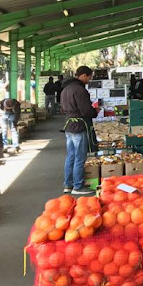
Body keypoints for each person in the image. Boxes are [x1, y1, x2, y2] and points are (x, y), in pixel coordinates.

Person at [60, 66, 96, 195]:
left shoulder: (66, 89)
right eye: (89, 76)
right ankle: (78, 186)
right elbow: (86, 110)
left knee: (71, 156)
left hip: (69, 125)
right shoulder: (80, 90)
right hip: (79, 126)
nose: (89, 79)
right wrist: (94, 111)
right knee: (80, 157)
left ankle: (68, 184)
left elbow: (62, 109)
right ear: (83, 75)